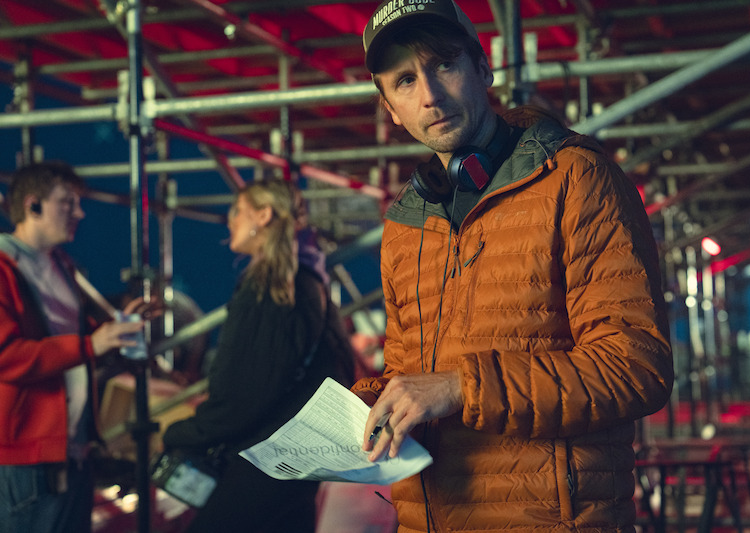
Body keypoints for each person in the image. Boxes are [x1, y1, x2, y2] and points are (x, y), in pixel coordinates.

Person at [352, 1, 675, 532]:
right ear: (389, 106)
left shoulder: (576, 179)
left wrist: (460, 388)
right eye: (405, 81)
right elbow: (409, 374)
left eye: (445, 65)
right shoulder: (404, 224)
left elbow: (635, 367)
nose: (430, 96)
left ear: (483, 69)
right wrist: (365, 403)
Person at [161, 180, 355, 533]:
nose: (230, 220)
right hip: (296, 458)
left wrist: (184, 433)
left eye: (237, 211)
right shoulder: (308, 281)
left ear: (263, 215)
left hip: (265, 461)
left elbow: (244, 390)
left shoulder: (272, 286)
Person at [0, 161, 153, 533]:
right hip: (28, 457)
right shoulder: (4, 267)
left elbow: (76, 342)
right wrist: (91, 343)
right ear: (33, 205)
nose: (80, 213)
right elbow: (6, 357)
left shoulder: (61, 266)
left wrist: (113, 334)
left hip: (72, 451)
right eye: (67, 203)